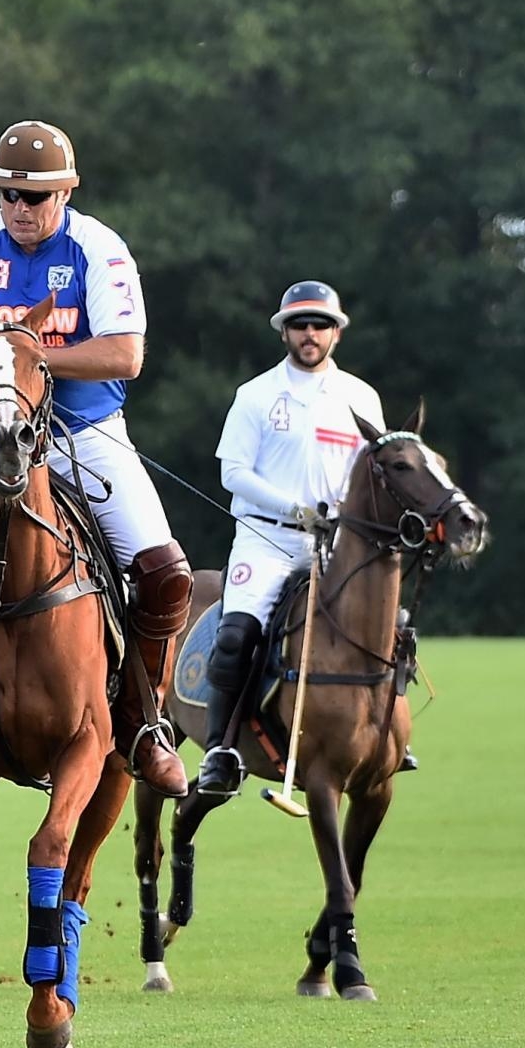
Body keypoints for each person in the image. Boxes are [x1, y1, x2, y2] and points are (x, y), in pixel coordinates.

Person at [0, 120, 193, 796]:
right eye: (10, 197)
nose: (21, 210)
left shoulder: (97, 249)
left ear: (66, 193)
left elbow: (126, 355)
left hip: (83, 434)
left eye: (36, 197)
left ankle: (143, 724)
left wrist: (21, 359)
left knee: (166, 573)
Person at [198, 280, 391, 792]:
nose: (310, 333)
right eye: (301, 324)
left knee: (386, 627)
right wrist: (294, 508)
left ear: (336, 334)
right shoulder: (256, 395)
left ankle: (389, 736)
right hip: (267, 541)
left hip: (336, 546)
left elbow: (374, 478)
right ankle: (220, 751)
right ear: (285, 332)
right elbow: (233, 474)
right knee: (237, 634)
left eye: (321, 325)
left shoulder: (360, 396)